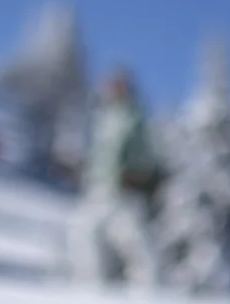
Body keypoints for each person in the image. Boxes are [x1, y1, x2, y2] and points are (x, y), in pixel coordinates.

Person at [67, 67, 165, 290]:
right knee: (85, 232)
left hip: (125, 188)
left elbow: (146, 150)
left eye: (116, 86)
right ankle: (91, 284)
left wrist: (137, 171)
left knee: (133, 238)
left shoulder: (134, 116)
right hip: (100, 187)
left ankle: (150, 286)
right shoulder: (105, 116)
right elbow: (101, 154)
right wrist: (82, 169)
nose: (111, 90)